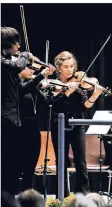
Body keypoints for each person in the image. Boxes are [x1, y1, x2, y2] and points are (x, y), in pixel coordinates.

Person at [40, 51, 104, 196]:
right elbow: (51, 104)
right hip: (58, 124)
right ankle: (62, 195)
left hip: (77, 124)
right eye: (66, 67)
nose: (70, 70)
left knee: (80, 160)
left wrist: (94, 96)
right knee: (61, 161)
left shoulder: (78, 84)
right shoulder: (53, 85)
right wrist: (67, 92)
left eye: (72, 66)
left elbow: (84, 106)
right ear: (59, 68)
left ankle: (83, 193)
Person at [1, 26, 34, 195]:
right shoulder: (4, 63)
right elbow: (17, 67)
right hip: (4, 119)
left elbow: (21, 89)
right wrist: (25, 56)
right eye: (16, 43)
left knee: (12, 165)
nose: (19, 46)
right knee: (6, 163)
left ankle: (10, 201)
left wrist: (41, 75)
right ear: (7, 43)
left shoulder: (9, 63)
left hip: (13, 120)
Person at [18, 63, 55, 192]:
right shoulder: (14, 84)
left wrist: (59, 93)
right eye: (30, 67)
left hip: (33, 127)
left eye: (34, 69)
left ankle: (26, 197)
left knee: (31, 165)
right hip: (18, 127)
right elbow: (23, 89)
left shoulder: (33, 85)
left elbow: (48, 102)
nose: (32, 71)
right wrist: (41, 75)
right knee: (16, 165)